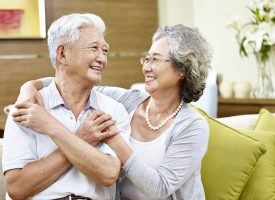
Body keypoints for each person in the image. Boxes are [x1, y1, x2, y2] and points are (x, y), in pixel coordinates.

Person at [14, 24, 212, 199]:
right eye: (147, 59)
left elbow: (160, 189)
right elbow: (71, 82)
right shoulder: (127, 100)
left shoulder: (193, 126)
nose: (146, 68)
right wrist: (29, 86)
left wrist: (115, 140)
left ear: (182, 70)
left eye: (156, 60)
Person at [2, 13, 131, 200]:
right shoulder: (27, 108)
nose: (102, 59)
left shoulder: (113, 109)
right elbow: (16, 188)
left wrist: (51, 127)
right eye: (94, 48)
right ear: (62, 54)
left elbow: (108, 174)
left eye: (105, 51)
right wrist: (82, 139)